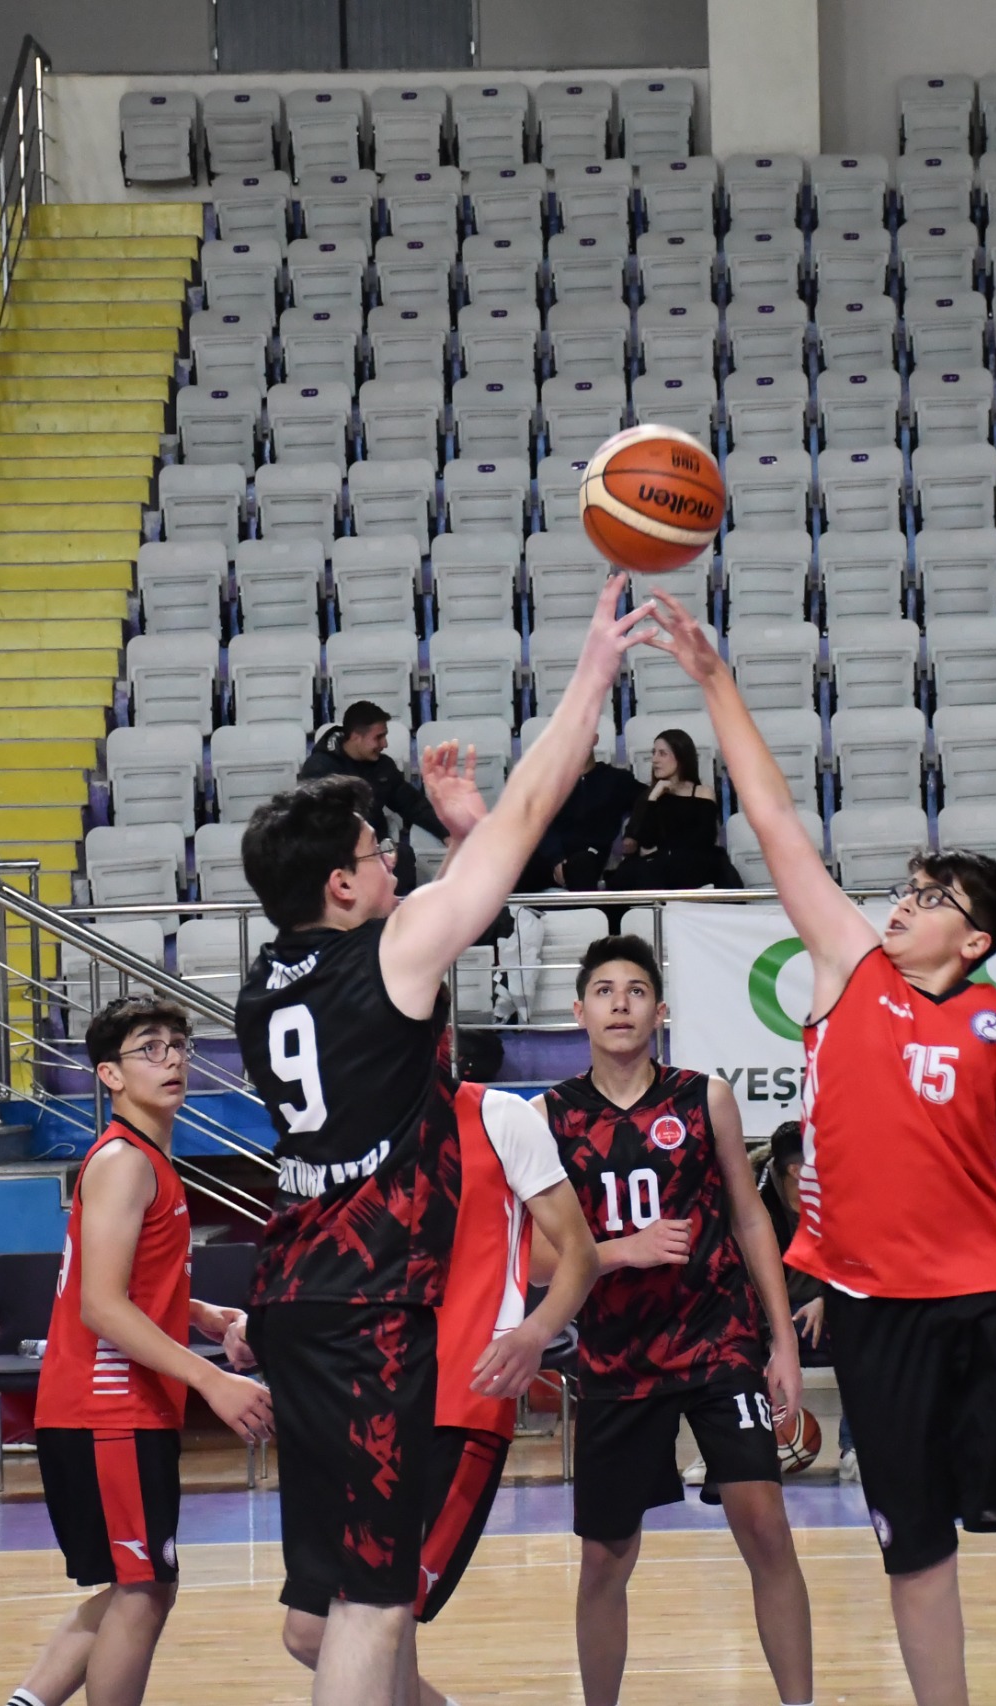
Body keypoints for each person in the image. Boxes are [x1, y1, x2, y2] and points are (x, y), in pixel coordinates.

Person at [644, 591, 996, 1706]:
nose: (902, 903)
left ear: (971, 938)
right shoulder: (849, 968)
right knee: (912, 1546)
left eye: (931, 899)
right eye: (907, 888)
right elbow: (778, 823)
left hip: (988, 1300)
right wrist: (714, 681)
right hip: (875, 1308)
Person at [238, 576, 655, 1706]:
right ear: (340, 885)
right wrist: (590, 678)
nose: (395, 864)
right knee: (374, 1602)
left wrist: (463, 834)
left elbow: (433, 963)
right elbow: (524, 823)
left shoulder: (261, 981)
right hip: (370, 1307)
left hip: (292, 1292)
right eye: (380, 852)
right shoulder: (390, 949)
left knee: (325, 1610)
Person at [534, 933, 814, 1706]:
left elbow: (752, 1218)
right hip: (617, 1359)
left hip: (717, 1337)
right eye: (603, 990)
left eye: (634, 990)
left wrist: (781, 1340)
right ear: (578, 1012)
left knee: (764, 1523)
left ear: (660, 1011)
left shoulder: (703, 1096)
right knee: (604, 1559)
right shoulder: (549, 1116)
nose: (619, 1002)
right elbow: (531, 1259)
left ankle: (802, 1701)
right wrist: (622, 1251)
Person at [279, 1078, 599, 1704]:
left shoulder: (499, 1116)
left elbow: (577, 1256)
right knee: (313, 1631)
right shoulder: (344, 1133)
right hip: (358, 1406)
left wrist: (534, 1334)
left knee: (379, 1620)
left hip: (462, 1403)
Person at [6, 996, 275, 1706]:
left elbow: (124, 1283)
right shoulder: (125, 1162)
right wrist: (212, 1381)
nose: (173, 1059)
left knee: (141, 1586)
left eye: (179, 1045)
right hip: (107, 1409)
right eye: (149, 1048)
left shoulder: (144, 1158)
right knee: (145, 1591)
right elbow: (101, 1304)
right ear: (108, 1076)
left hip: (111, 1410)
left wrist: (206, 1317)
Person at [759, 1120, 856, 1485]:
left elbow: (861, 1261)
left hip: (824, 1306)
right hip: (770, 1310)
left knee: (859, 1330)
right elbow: (741, 1278)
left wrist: (825, 1298)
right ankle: (736, 1454)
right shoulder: (757, 1200)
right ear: (797, 1170)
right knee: (731, 1341)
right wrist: (773, 1326)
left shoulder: (842, 1193)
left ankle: (853, 1450)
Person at [298, 700, 449, 892]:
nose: (384, 744)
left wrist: (446, 832)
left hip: (377, 855)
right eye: (378, 737)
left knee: (404, 857)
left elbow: (412, 804)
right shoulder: (318, 769)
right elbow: (310, 824)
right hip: (335, 859)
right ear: (355, 737)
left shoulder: (382, 766)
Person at [604, 728, 728, 890]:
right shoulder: (649, 797)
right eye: (654, 753)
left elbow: (704, 838)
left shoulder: (703, 792)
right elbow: (646, 844)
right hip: (660, 866)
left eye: (662, 754)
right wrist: (654, 797)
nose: (654, 759)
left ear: (681, 757)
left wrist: (666, 848)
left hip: (694, 864)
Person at [525, 738, 642, 891]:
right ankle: (512, 914)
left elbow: (646, 802)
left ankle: (590, 913)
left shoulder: (617, 780)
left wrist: (632, 833)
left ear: (594, 738)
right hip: (552, 857)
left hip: (590, 856)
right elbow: (539, 822)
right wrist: (556, 859)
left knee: (582, 863)